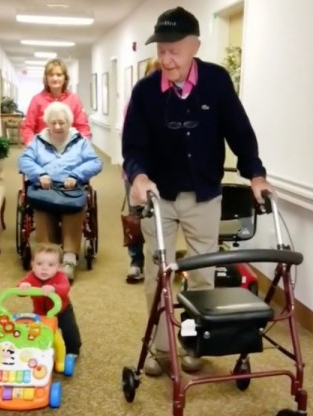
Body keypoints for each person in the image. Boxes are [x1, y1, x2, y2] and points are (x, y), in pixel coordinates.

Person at [122, 7, 272, 376]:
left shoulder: (217, 82)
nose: (166, 59)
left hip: (204, 194)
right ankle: (161, 350)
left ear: (195, 47)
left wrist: (256, 174)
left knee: (202, 275)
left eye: (174, 50)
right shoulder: (145, 92)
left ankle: (193, 343)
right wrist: (138, 176)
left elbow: (240, 133)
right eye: (161, 50)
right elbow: (132, 147)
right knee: (159, 276)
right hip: (158, 198)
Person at [18, 101, 103, 282]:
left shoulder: (80, 142)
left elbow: (95, 162)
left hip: (70, 188)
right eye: (53, 122)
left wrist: (76, 175)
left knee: (73, 208)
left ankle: (69, 260)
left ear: (69, 123)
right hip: (45, 188)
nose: (57, 126)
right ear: (47, 123)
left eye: (62, 122)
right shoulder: (38, 141)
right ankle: (46, 259)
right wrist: (40, 173)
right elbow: (24, 161)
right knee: (42, 208)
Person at [123, 58, 162, 284]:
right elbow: (130, 141)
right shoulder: (137, 100)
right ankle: (136, 262)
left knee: (161, 219)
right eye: (153, 73)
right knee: (137, 219)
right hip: (137, 172)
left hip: (162, 175)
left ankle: (159, 264)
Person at [18, 243, 82, 356]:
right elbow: (19, 289)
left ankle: (73, 350)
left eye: (51, 264)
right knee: (35, 331)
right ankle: (37, 349)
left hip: (62, 311)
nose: (44, 268)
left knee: (69, 330)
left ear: (59, 267)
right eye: (39, 264)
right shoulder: (31, 277)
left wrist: (54, 288)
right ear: (32, 264)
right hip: (40, 313)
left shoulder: (61, 276)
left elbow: (65, 288)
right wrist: (23, 287)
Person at [21, 58, 91, 145]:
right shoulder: (36, 100)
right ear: (46, 78)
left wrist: (81, 145)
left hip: (69, 149)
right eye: (51, 75)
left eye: (59, 75)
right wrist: (31, 144)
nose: (55, 78)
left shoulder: (74, 100)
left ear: (65, 78)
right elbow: (28, 127)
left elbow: (82, 127)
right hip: (43, 149)